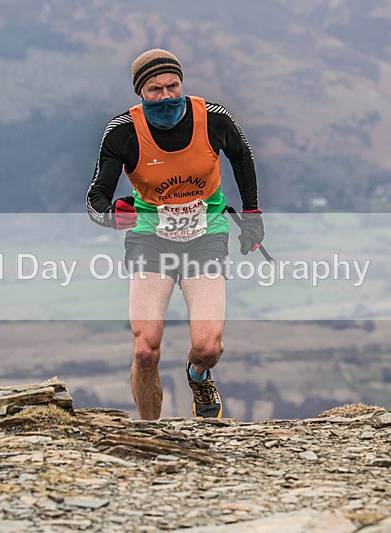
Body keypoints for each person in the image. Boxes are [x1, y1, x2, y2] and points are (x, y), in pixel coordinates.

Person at [86, 49, 265, 420]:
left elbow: (242, 157)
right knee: (145, 351)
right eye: (155, 89)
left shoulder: (213, 118)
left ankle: (198, 375)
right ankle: (150, 430)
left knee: (208, 345)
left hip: (206, 235)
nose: (167, 96)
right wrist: (112, 215)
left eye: (173, 86)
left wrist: (252, 215)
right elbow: (95, 198)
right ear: (140, 92)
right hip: (151, 238)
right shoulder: (122, 131)